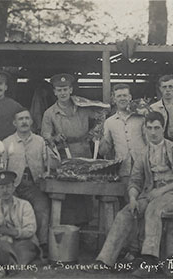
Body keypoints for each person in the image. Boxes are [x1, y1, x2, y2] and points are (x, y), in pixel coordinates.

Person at [94, 111, 173, 277]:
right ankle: (105, 260)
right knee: (125, 213)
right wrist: (132, 198)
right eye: (149, 128)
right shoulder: (143, 153)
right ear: (145, 129)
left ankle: (150, 261)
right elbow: (135, 181)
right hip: (149, 192)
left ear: (163, 129)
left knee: (154, 209)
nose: (153, 132)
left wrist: (161, 190)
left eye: (157, 128)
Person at [41, 73, 98, 226]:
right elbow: (45, 137)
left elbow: (101, 116)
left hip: (85, 155)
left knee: (86, 194)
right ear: (54, 92)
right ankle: (69, 231)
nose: (63, 93)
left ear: (71, 90)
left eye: (65, 89)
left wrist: (95, 132)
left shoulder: (83, 107)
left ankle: (89, 234)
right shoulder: (49, 113)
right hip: (63, 158)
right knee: (68, 195)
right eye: (59, 90)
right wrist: (55, 139)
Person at [2, 108, 53, 256]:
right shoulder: (7, 142)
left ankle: (42, 245)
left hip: (34, 185)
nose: (24, 122)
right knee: (10, 211)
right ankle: (12, 247)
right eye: (20, 119)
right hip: (14, 186)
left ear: (31, 121)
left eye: (26, 119)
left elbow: (48, 162)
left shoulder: (40, 141)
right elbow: (2, 166)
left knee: (42, 207)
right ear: (14, 123)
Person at [0, 170, 40, 278]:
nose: (5, 191)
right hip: (1, 243)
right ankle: (11, 266)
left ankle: (1, 267)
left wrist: (11, 232)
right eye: (1, 187)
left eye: (8, 187)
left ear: (13, 188)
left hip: (23, 243)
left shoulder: (24, 205)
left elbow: (30, 230)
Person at [99, 83, 146, 182]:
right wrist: (99, 138)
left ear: (130, 97)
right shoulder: (109, 122)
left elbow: (150, 142)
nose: (122, 98)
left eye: (125, 95)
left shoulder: (141, 118)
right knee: (126, 195)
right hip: (123, 170)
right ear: (114, 99)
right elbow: (104, 151)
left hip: (143, 167)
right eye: (119, 96)